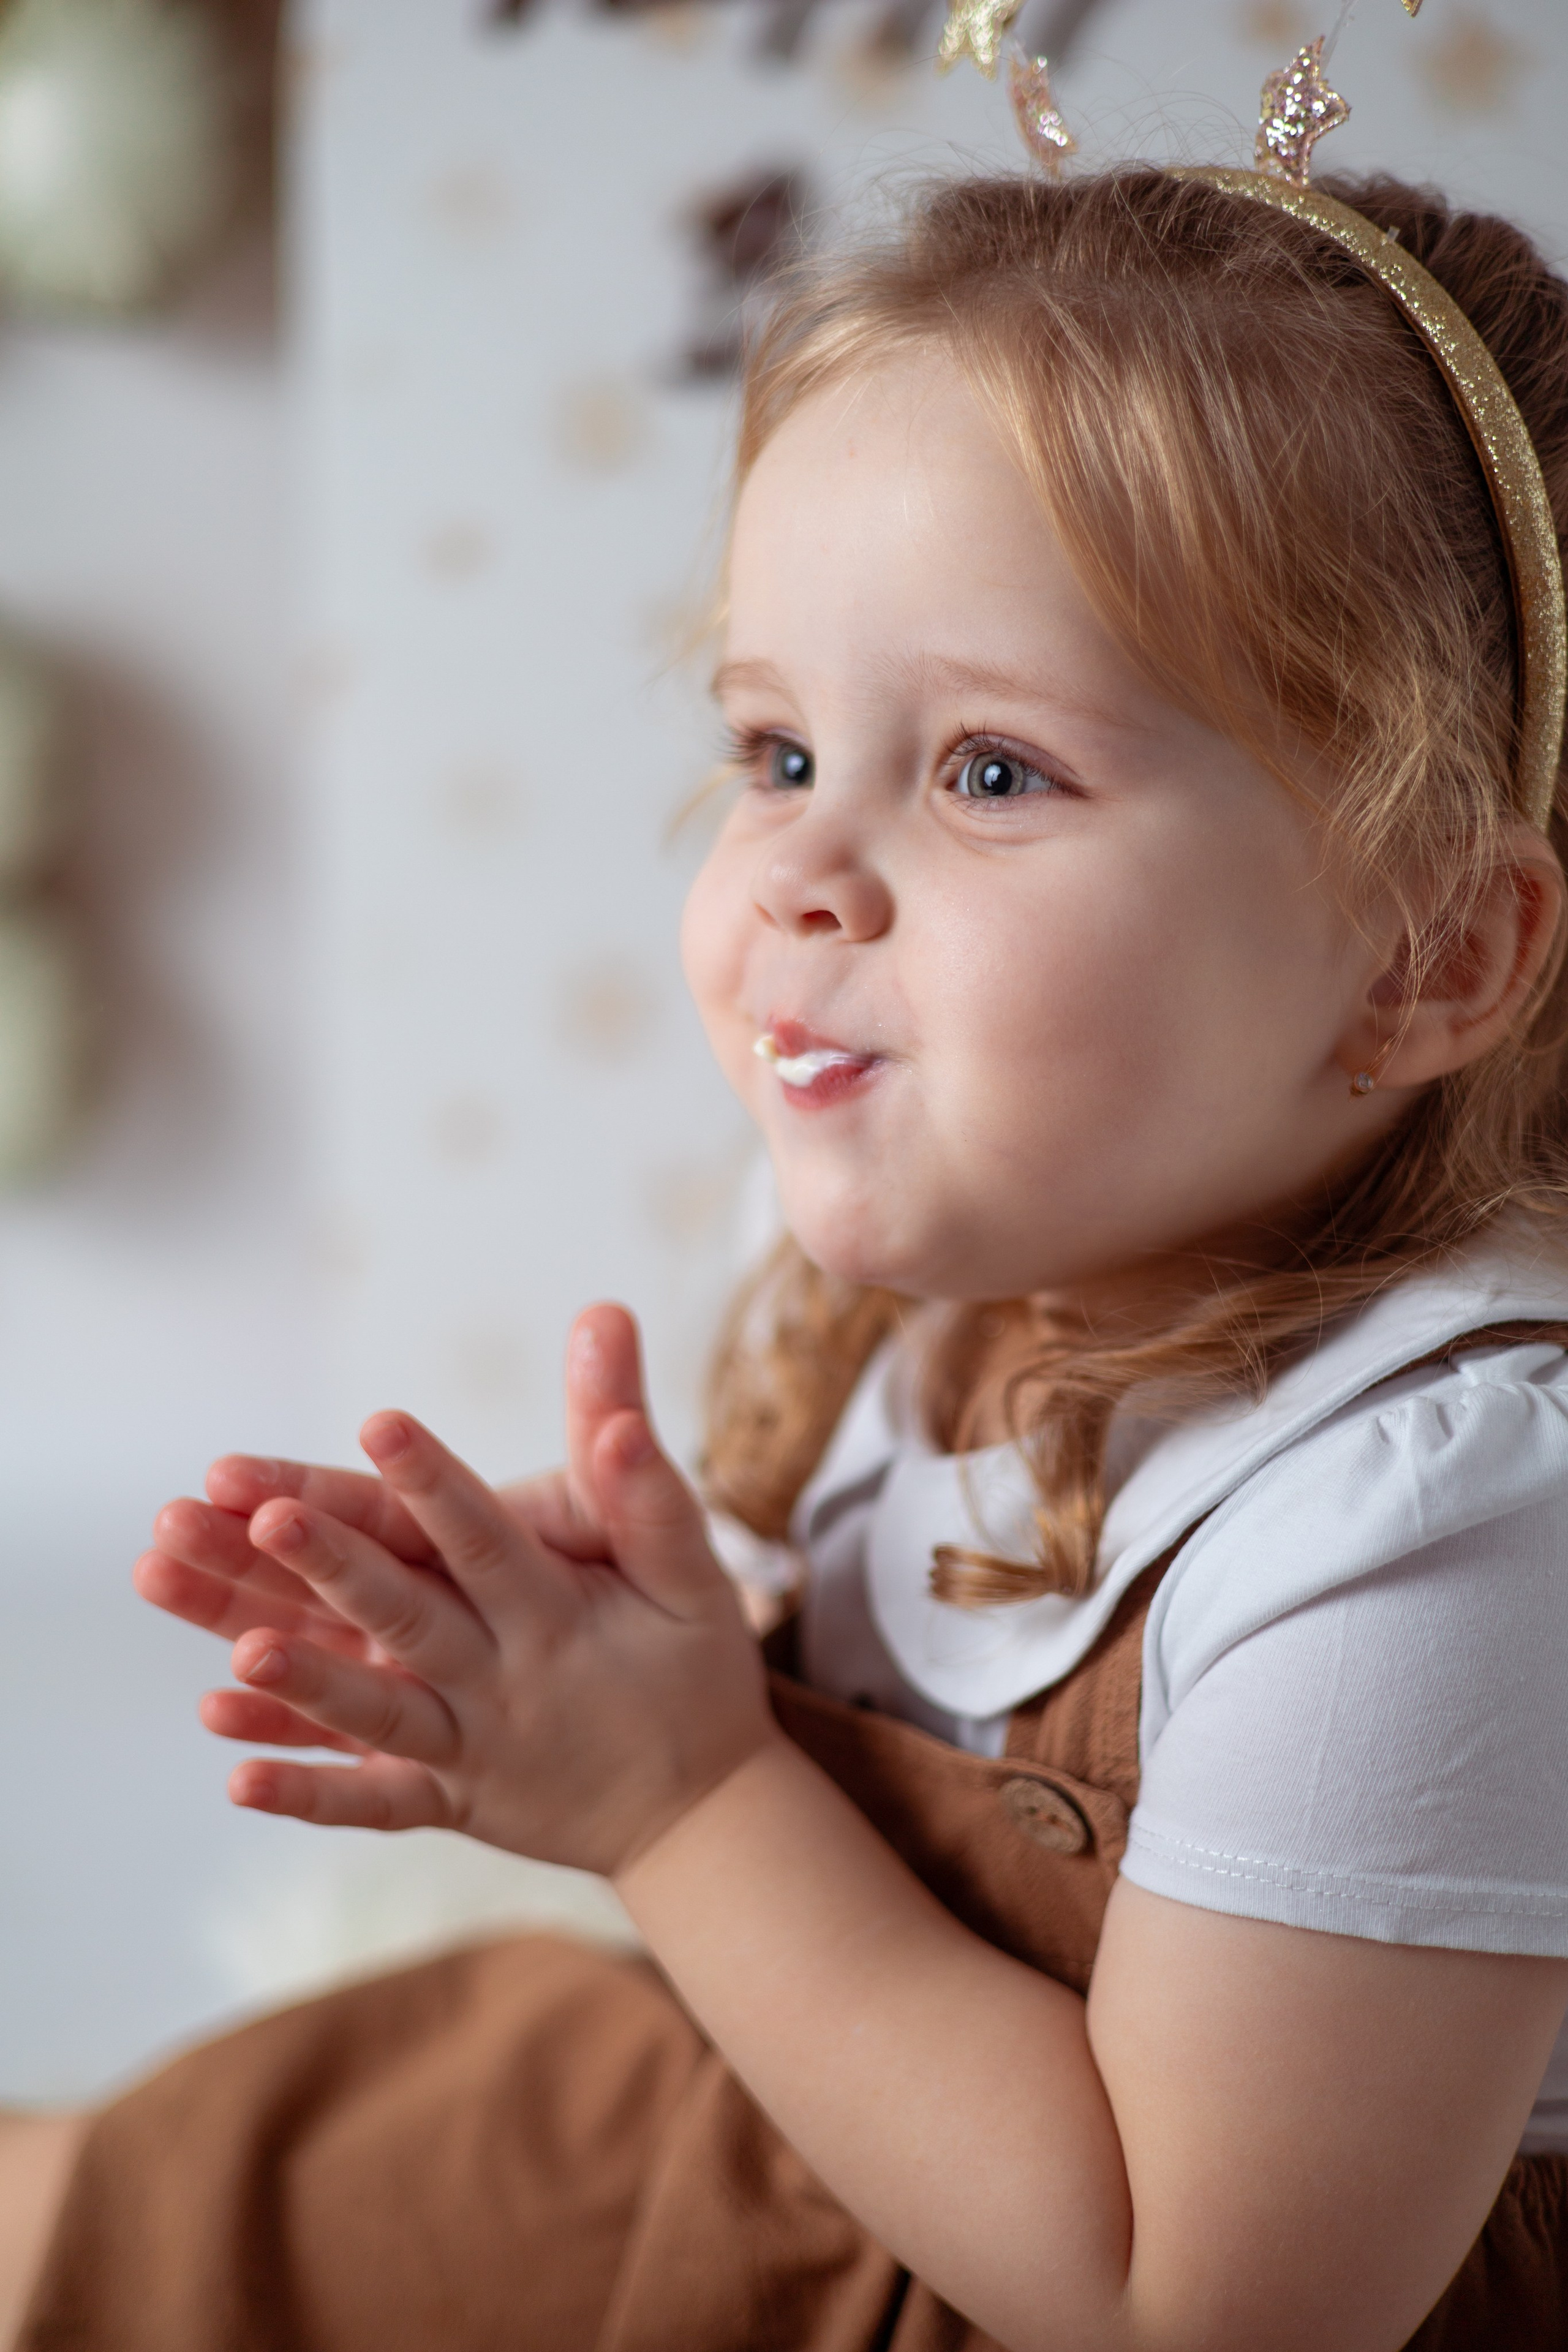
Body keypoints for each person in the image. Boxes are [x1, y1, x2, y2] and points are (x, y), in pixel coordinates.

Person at [7, 162, 1568, 2352]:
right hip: (790, 2145)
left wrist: (682, 1788)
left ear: (1423, 955)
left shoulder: (1435, 1513)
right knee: (217, 2171)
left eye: (996, 771)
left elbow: (1188, 2303)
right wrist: (605, 1656)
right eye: (778, 750)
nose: (802, 876)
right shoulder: (945, 1246)